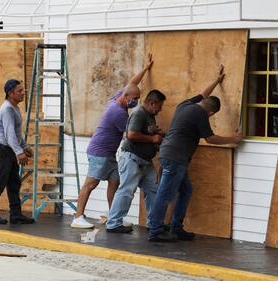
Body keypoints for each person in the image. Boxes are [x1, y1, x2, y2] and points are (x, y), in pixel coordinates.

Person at [148, 65, 242, 242]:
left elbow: (203, 94)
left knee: (185, 191)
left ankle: (176, 227)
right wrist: (233, 139)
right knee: (165, 193)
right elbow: (211, 139)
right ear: (211, 112)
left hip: (172, 155)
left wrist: (217, 80)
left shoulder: (186, 105)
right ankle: (155, 230)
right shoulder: (201, 115)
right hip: (175, 158)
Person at [70, 54, 154, 229]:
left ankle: (113, 216)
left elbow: (132, 82)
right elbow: (131, 134)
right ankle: (77, 217)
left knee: (115, 181)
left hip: (108, 154)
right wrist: (152, 135)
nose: (136, 103)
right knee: (91, 183)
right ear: (127, 97)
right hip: (99, 152)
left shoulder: (117, 99)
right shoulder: (118, 113)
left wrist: (146, 69)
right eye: (135, 100)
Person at [106, 90, 166, 233]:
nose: (160, 109)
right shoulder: (139, 113)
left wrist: (155, 135)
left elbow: (143, 133)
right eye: (160, 106)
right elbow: (131, 134)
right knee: (126, 190)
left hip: (144, 160)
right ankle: (113, 223)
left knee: (153, 190)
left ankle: (154, 223)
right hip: (132, 158)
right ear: (152, 103)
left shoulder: (150, 116)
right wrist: (152, 139)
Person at [0, 79, 35, 225]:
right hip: (3, 150)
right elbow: (9, 134)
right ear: (10, 93)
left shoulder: (15, 108)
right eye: (20, 91)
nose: (23, 93)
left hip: (10, 150)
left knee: (14, 183)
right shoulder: (6, 109)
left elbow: (17, 132)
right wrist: (19, 152)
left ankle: (16, 215)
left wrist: (24, 146)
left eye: (23, 90)